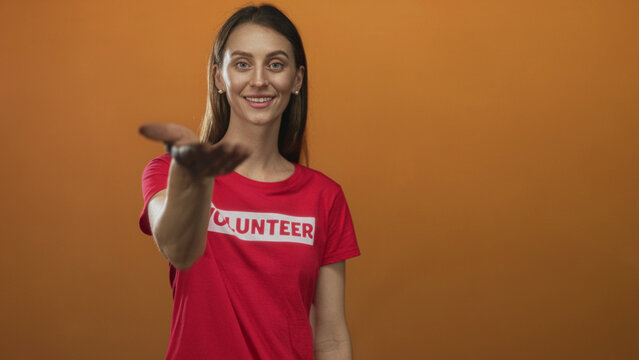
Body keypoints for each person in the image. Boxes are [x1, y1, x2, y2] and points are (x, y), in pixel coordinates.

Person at [138, 4, 360, 360]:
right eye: (242, 63)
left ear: (297, 80)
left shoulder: (324, 196)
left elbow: (331, 337)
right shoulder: (168, 171)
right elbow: (177, 249)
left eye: (275, 64)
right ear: (218, 78)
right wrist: (194, 175)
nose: (259, 80)